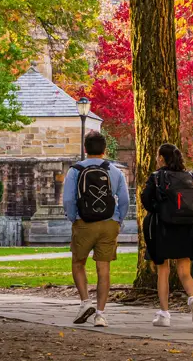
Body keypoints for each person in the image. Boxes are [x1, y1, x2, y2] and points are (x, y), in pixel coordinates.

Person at [140, 143, 193, 329]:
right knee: (184, 270)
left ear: (162, 158)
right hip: (186, 228)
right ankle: (192, 298)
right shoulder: (189, 176)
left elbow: (145, 199)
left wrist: (159, 209)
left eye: (158, 156)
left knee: (163, 271)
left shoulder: (157, 177)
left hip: (163, 228)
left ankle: (164, 314)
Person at [63, 130, 129, 327]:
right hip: (109, 223)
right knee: (104, 268)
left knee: (78, 263)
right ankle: (100, 314)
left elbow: (68, 199)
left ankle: (85, 302)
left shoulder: (75, 170)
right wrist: (118, 220)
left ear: (85, 149)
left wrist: (74, 218)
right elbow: (124, 200)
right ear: (104, 150)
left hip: (84, 223)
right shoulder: (115, 171)